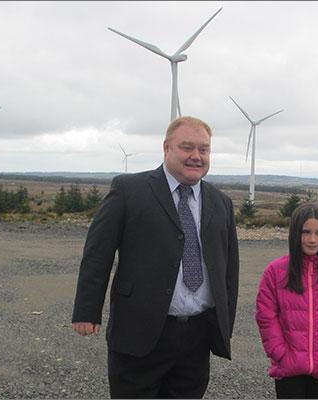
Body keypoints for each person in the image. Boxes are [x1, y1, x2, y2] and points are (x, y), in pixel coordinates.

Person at [71, 116, 239, 398]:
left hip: (197, 336)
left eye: (204, 149)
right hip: (139, 331)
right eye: (187, 147)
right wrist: (87, 310)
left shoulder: (221, 202)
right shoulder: (129, 190)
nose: (196, 156)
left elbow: (229, 268)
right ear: (166, 148)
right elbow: (97, 254)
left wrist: (224, 323)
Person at [255, 203, 318, 399]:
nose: (312, 240)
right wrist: (279, 351)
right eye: (306, 232)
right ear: (295, 234)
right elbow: (266, 315)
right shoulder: (275, 271)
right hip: (288, 367)